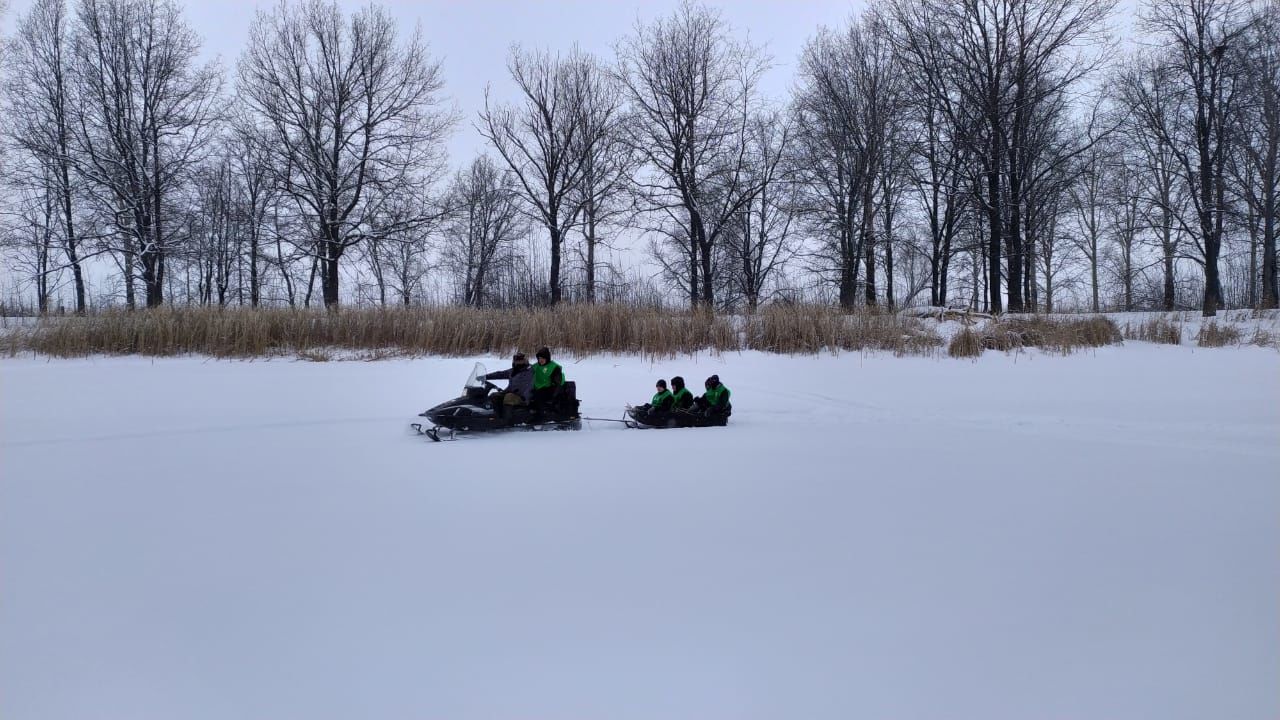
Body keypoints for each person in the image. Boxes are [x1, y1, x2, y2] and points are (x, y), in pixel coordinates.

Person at [484, 352, 532, 419]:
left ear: (525, 360)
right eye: (517, 360)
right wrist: (485, 377)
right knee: (494, 396)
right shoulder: (513, 371)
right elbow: (500, 374)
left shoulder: (531, 370)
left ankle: (507, 420)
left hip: (523, 397)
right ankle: (497, 417)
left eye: (521, 360)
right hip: (510, 393)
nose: (519, 362)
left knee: (509, 397)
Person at [530, 346, 565, 410]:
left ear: (547, 358)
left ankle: (542, 413)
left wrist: (554, 397)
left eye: (543, 358)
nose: (540, 360)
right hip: (536, 388)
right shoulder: (535, 366)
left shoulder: (554, 367)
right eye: (539, 358)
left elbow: (557, 383)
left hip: (550, 389)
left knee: (538, 396)